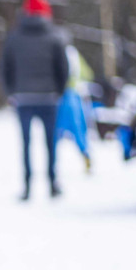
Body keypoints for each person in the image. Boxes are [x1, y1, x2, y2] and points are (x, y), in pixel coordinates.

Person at [1, 0, 69, 200]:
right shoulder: (55, 37)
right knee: (50, 142)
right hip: (49, 97)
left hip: (23, 98)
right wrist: (59, 91)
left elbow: (3, 68)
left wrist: (12, 91)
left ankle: (27, 185)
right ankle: (52, 183)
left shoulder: (13, 37)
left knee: (26, 143)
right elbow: (63, 68)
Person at [55, 42, 93, 172]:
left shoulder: (53, 50)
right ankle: (85, 155)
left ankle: (52, 163)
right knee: (78, 129)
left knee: (55, 130)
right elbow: (88, 74)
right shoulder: (72, 52)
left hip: (58, 96)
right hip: (73, 95)